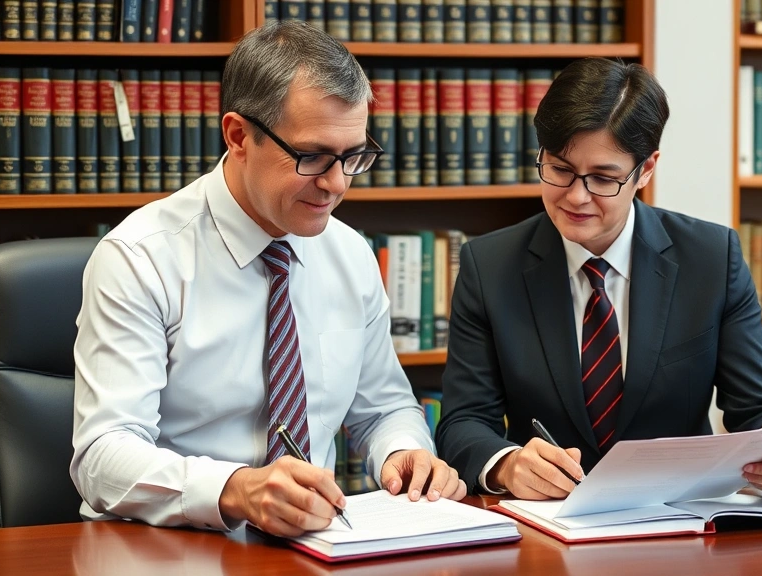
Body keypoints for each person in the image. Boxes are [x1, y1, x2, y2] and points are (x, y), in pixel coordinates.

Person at [70, 21, 467, 538]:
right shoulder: (141, 258)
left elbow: (384, 407)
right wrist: (236, 489)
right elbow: (102, 457)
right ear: (238, 136)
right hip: (168, 547)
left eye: (353, 156)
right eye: (312, 156)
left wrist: (404, 450)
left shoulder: (351, 254)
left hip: (313, 546)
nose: (336, 184)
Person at [434, 58, 762, 500]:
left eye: (603, 178)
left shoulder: (712, 258)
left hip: (678, 518)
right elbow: (463, 421)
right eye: (560, 170)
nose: (576, 197)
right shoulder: (488, 265)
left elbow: (761, 409)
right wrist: (507, 465)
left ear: (646, 169)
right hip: (547, 521)